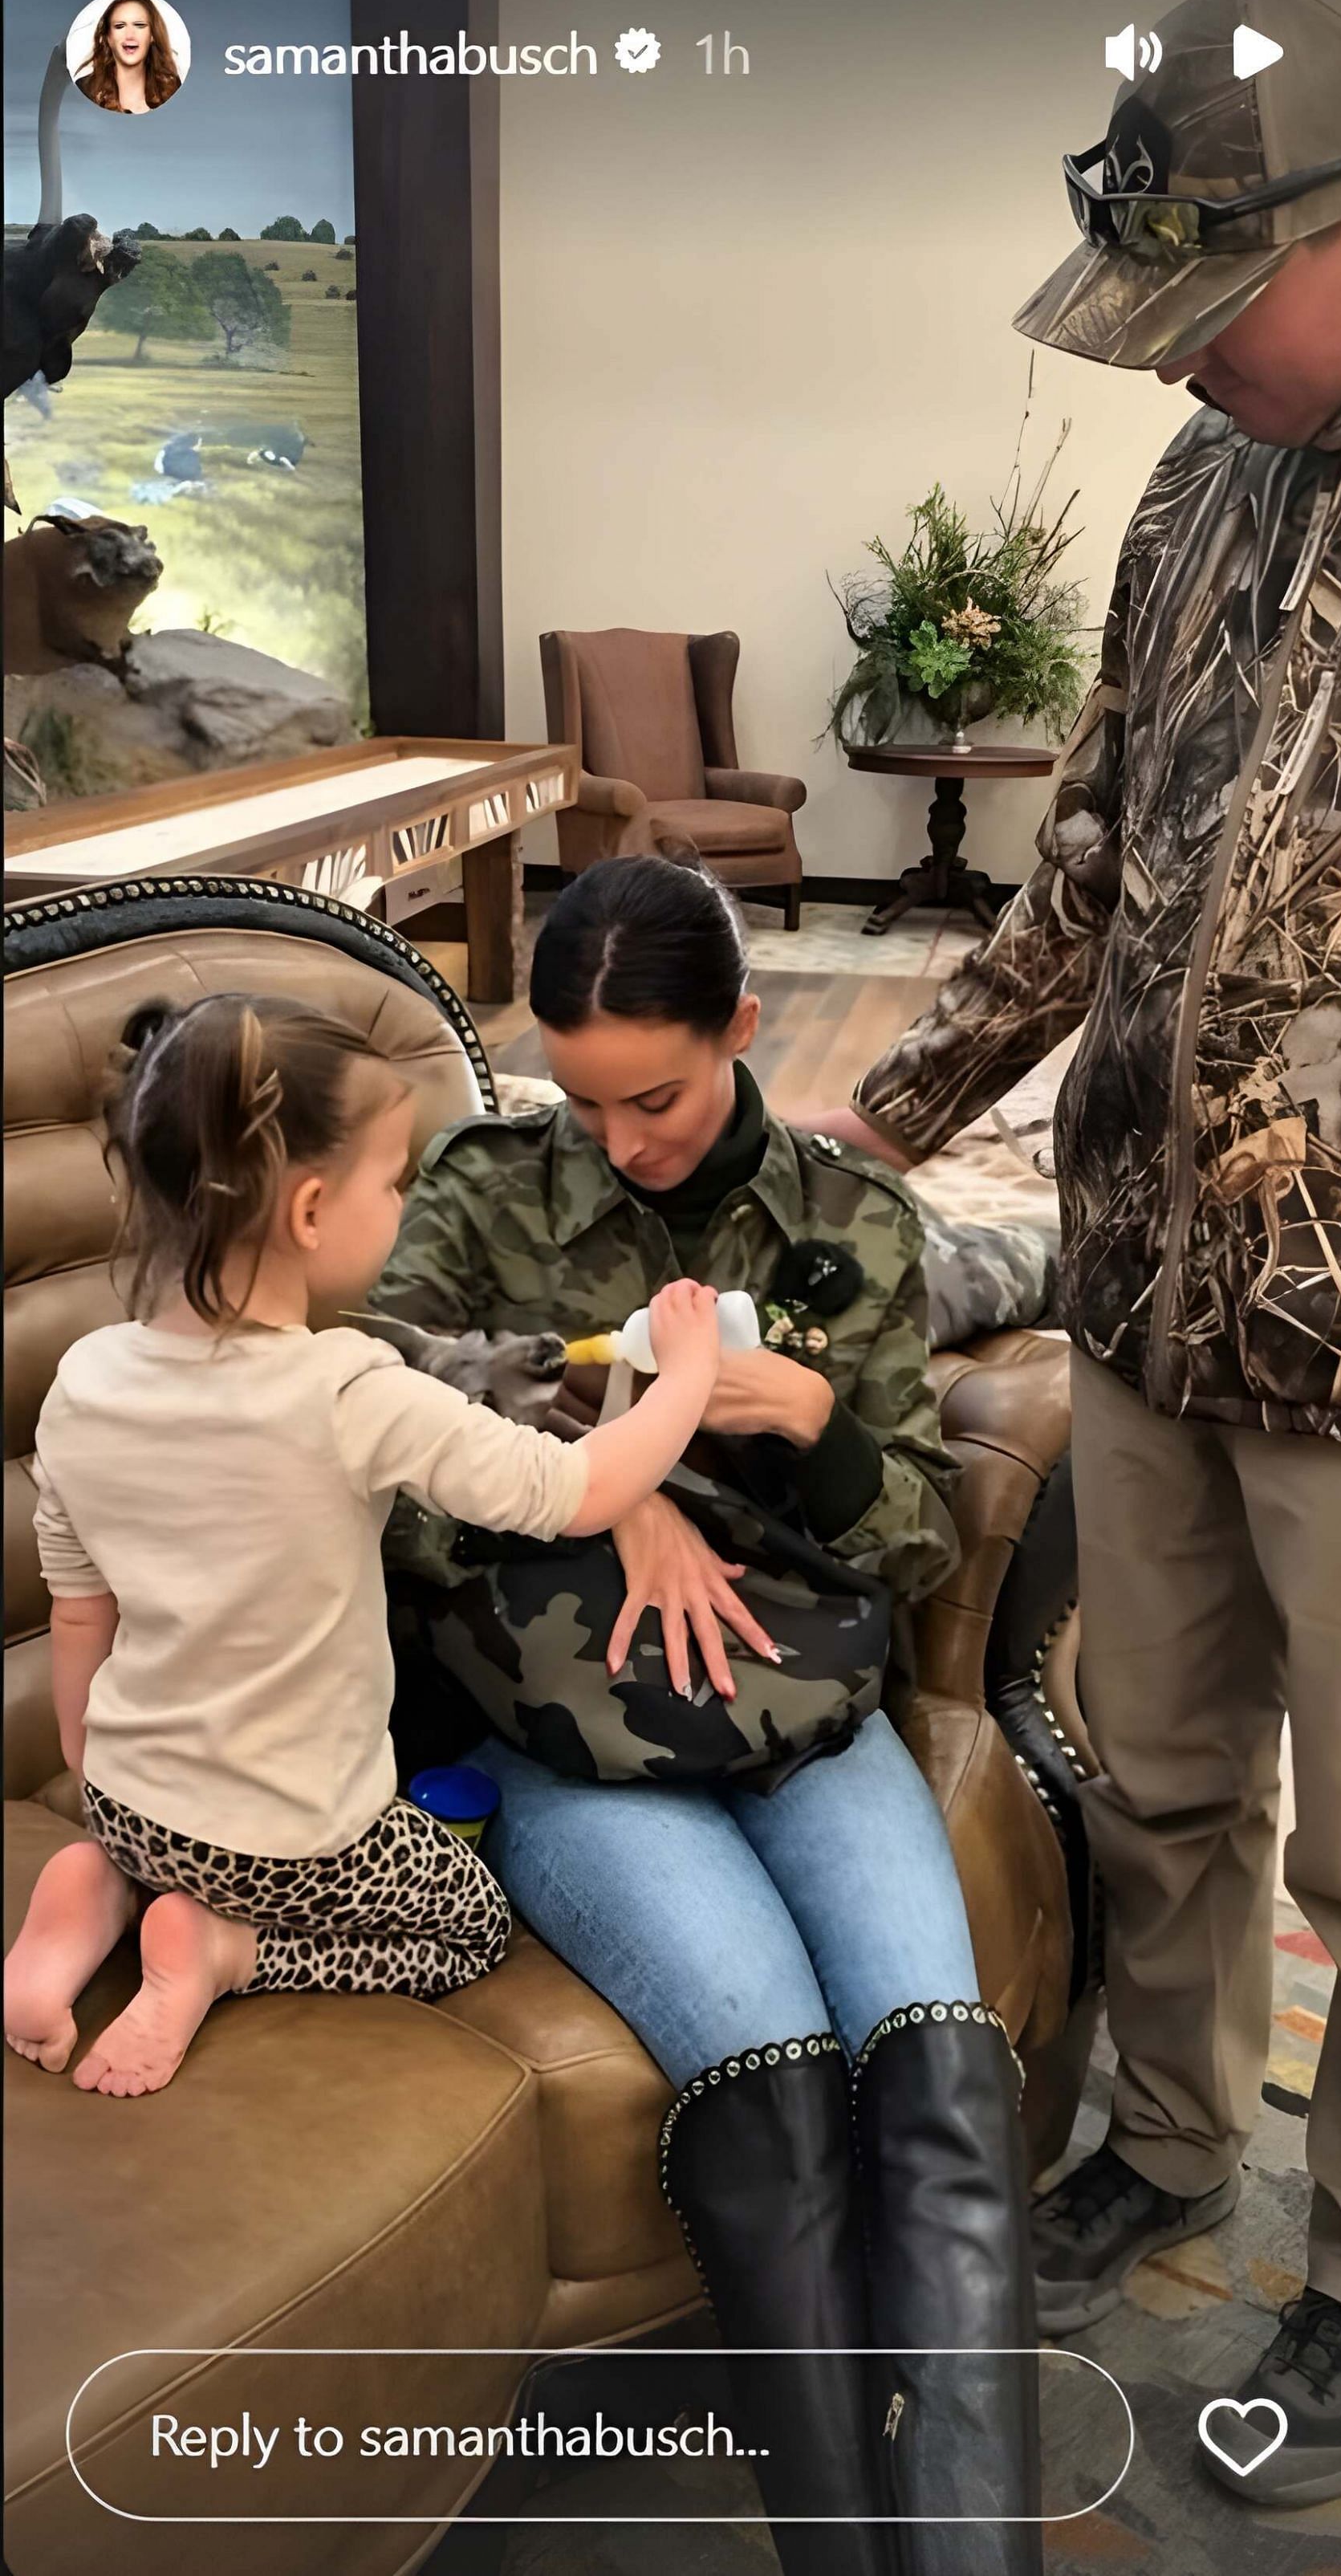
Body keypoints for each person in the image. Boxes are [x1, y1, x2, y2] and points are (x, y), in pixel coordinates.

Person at [811, 0, 1341, 2509]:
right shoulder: (1211, 477)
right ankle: (1161, 2124)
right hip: (1139, 1281)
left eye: (1205, 308)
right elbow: (1096, 860)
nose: (1169, 362)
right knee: (1152, 1775)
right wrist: (883, 1117)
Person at [372, 854, 1042, 2574]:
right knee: (772, 2075)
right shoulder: (481, 1180)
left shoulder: (852, 1224)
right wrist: (607, 1479)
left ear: (742, 1029)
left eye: (654, 1097)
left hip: (804, 1708)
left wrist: (810, 1417)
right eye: (583, 1097)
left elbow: (902, 1533)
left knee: (945, 2083)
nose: (618, 1142)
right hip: (572, 1735)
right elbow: (363, 1412)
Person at [2, 992, 723, 2101]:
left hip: (127, 1791)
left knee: (149, 1842)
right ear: (307, 1209)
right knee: (465, 1923)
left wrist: (100, 1775)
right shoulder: (350, 1392)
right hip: (286, 1837)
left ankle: (108, 1877)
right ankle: (225, 1952)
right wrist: (686, 1377)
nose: (405, 1200)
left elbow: (80, 1611)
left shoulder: (83, 1383)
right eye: (393, 1179)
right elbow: (578, 1489)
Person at [74, 0, 181, 113]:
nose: (130, 35)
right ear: (108, 37)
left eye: (140, 25)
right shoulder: (85, 89)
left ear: (152, 35)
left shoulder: (172, 88)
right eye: (120, 26)